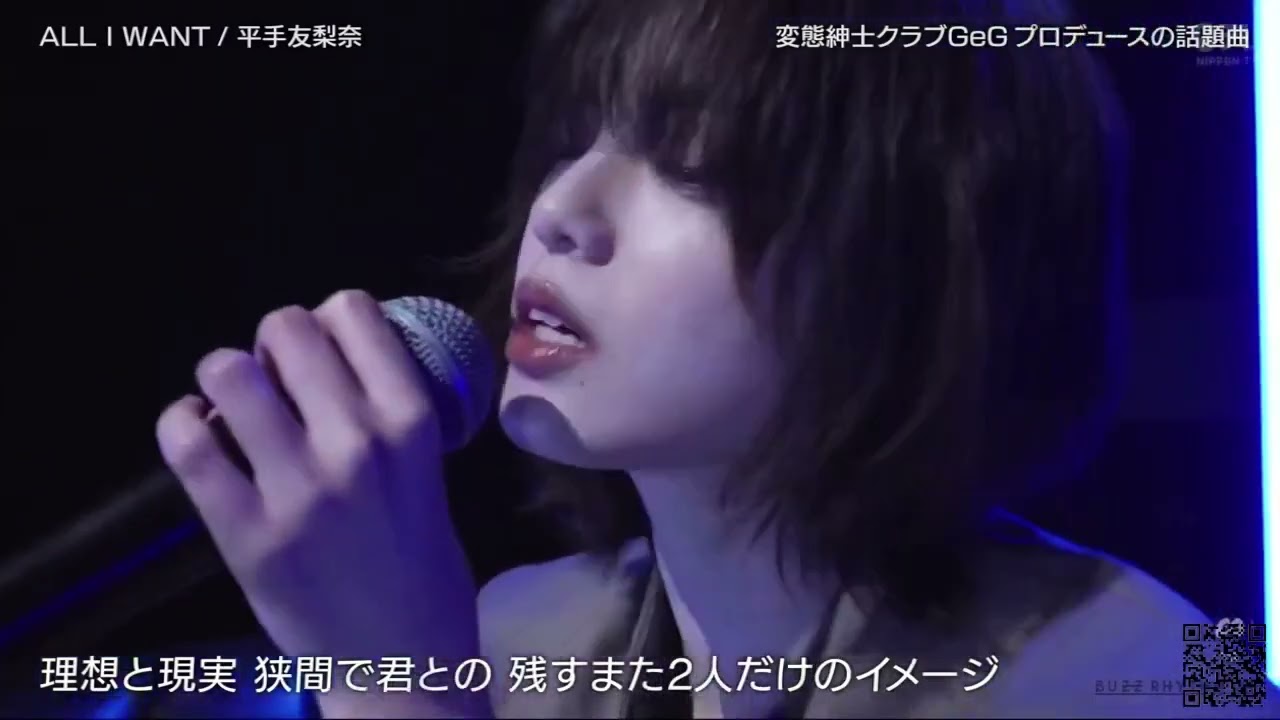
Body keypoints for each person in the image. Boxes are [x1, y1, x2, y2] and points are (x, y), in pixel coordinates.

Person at [64, 0, 1276, 718]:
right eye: (575, 138)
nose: (562, 210)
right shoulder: (520, 637)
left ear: (914, 269)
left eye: (691, 165)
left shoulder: (1164, 679)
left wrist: (397, 690)